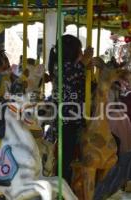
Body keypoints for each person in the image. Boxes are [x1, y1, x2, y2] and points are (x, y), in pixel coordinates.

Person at [48, 34, 94, 183]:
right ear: (73, 52)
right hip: (66, 121)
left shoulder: (73, 68)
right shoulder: (63, 67)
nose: (81, 53)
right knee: (66, 158)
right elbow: (71, 75)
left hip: (76, 119)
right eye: (79, 50)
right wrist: (85, 61)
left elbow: (88, 87)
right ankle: (63, 187)